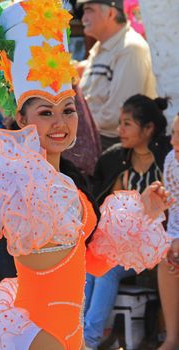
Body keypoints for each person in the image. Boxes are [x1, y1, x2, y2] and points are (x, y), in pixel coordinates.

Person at [0, 2, 172, 350]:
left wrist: (144, 212)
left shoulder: (72, 189)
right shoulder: (13, 182)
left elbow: (94, 262)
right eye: (46, 112)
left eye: (67, 110)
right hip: (36, 338)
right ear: (24, 121)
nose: (60, 122)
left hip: (70, 336)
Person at [84, 94, 172, 349]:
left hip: (154, 246)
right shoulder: (116, 160)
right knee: (90, 267)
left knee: (107, 270)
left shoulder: (166, 160)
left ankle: (89, 339)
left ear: (148, 129)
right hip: (123, 245)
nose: (119, 130)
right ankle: (76, 332)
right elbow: (108, 207)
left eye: (127, 124)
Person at [77, 0, 156, 150]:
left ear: (111, 13)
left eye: (89, 10)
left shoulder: (130, 49)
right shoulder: (101, 48)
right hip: (94, 137)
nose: (83, 18)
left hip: (113, 143)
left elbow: (117, 114)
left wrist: (78, 126)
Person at [158, 115, 179, 350]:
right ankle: (172, 339)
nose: (175, 141)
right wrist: (174, 242)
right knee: (167, 259)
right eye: (174, 133)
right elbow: (175, 212)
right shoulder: (172, 161)